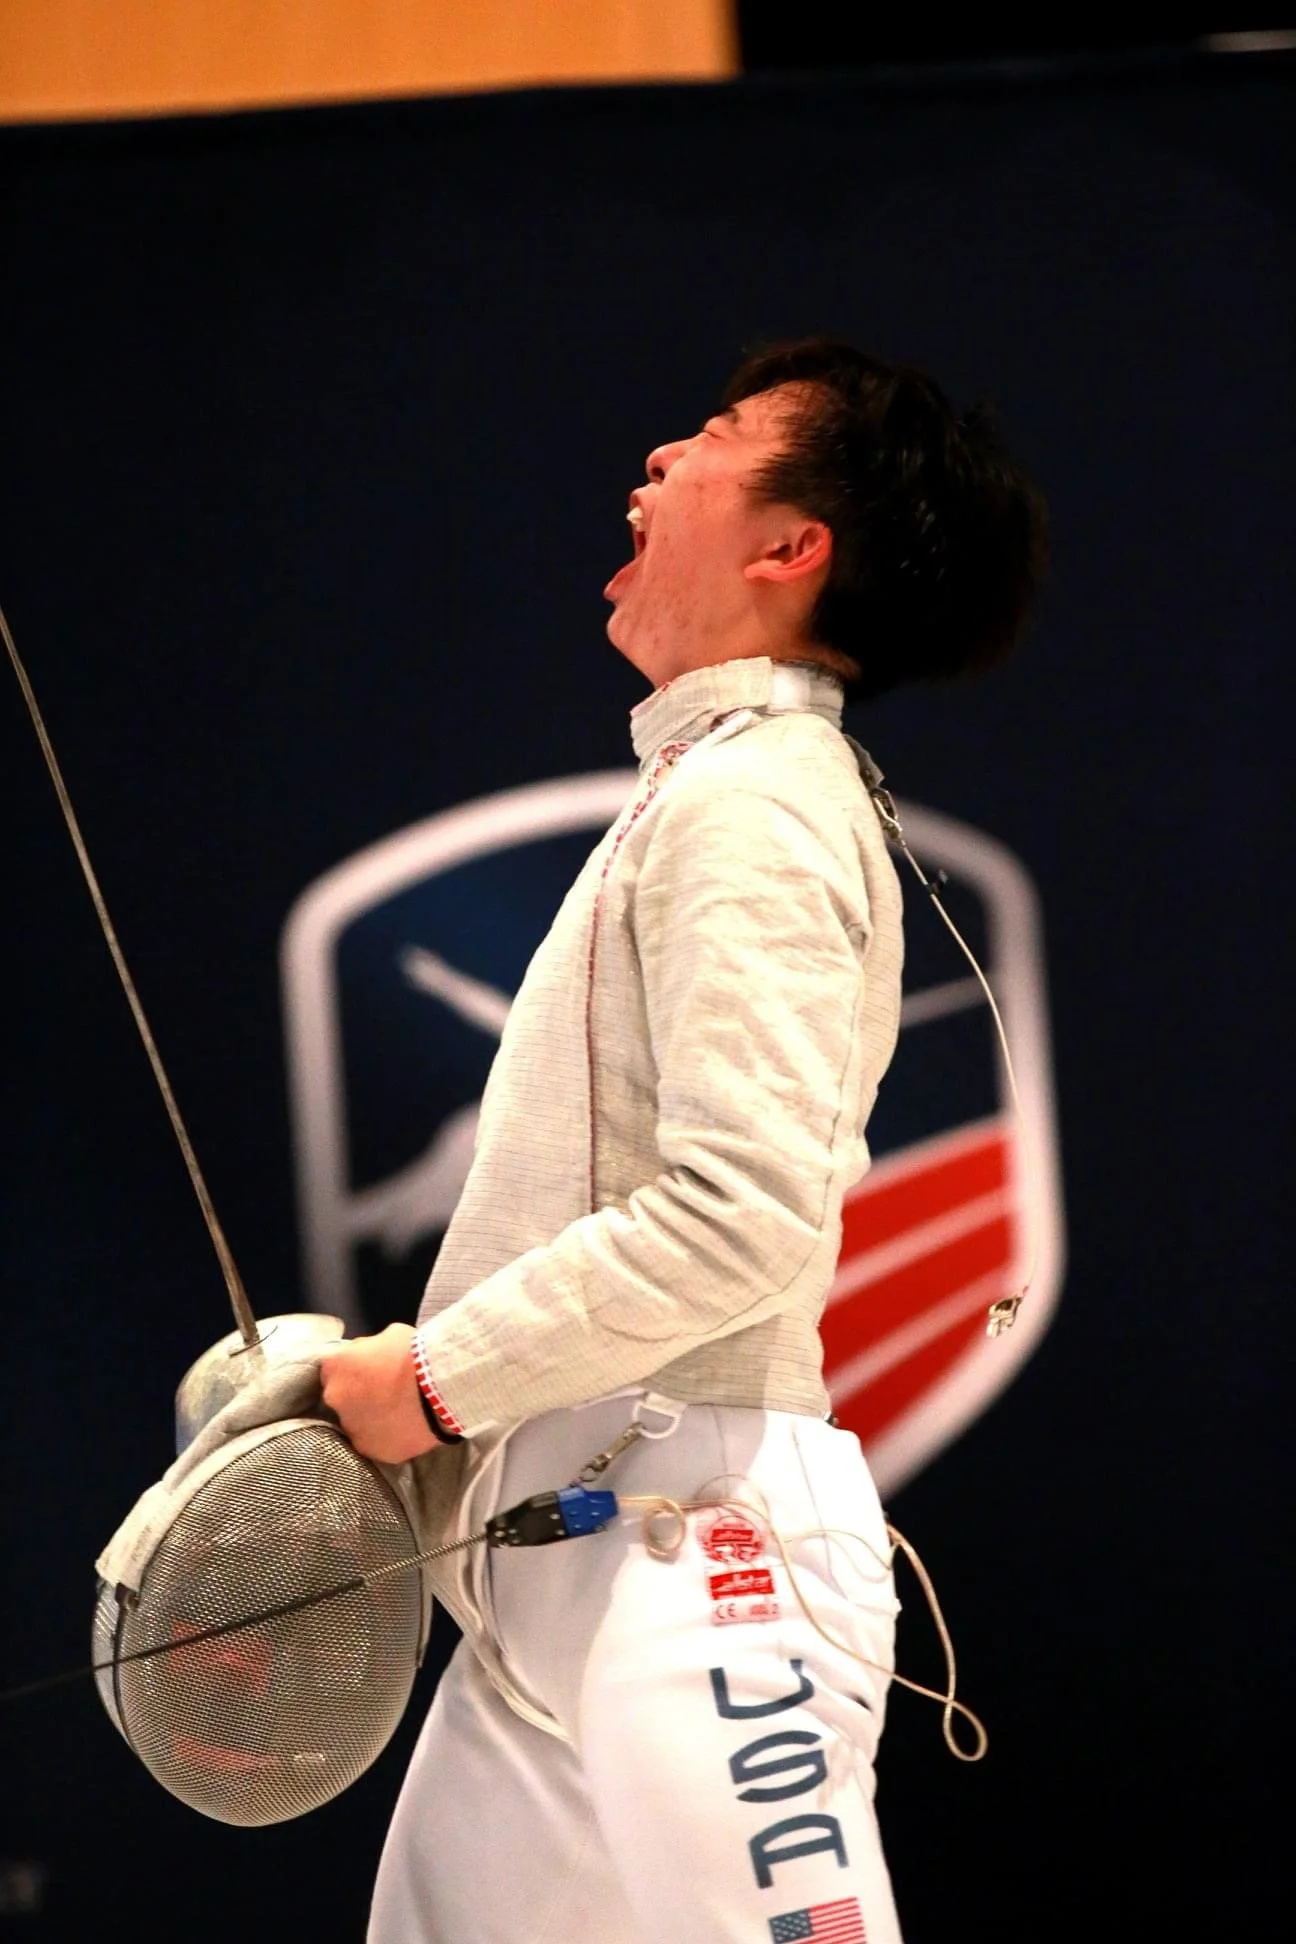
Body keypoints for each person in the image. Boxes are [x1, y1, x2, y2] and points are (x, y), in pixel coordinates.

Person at [319, 338, 1048, 1943]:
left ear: (794, 546)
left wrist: (434, 1379)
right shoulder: (709, 786)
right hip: (556, 1561)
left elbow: (744, 1212)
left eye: (717, 434)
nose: (658, 458)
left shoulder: (761, 800)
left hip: (697, 1547)